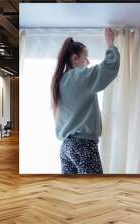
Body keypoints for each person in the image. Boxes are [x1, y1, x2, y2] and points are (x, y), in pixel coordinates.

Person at [51, 28, 120, 174]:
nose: (88, 62)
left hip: (66, 148)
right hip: (83, 146)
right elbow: (109, 67)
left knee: (73, 192)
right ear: (75, 58)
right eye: (85, 57)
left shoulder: (60, 80)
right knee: (94, 191)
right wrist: (110, 44)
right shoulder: (78, 77)